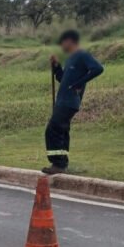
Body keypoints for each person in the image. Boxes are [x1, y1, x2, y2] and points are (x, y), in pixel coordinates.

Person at [43, 30, 104, 175]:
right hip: (63, 100)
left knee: (52, 130)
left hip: (69, 101)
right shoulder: (71, 59)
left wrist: (78, 84)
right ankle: (62, 163)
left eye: (63, 42)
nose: (62, 45)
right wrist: (56, 66)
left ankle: (58, 164)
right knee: (61, 131)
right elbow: (62, 79)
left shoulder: (82, 55)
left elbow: (98, 68)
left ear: (70, 41)